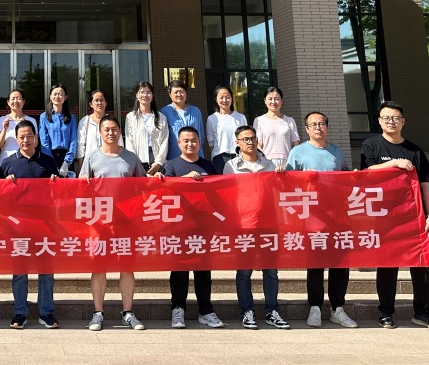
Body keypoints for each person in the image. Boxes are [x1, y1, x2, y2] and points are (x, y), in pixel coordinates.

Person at [360, 101, 429, 331]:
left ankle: (423, 312)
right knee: (388, 266)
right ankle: (386, 312)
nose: (391, 121)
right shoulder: (371, 145)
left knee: (424, 265)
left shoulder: (415, 150)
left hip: (415, 217)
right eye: (386, 118)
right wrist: (394, 163)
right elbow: (366, 172)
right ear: (379, 121)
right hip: (385, 217)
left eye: (395, 118)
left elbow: (425, 184)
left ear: (403, 122)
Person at [285, 111, 357, 329]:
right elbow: (287, 183)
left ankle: (338, 309)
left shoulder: (336, 151)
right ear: (306, 129)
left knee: (340, 264)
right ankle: (315, 307)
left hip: (337, 217)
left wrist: (355, 176)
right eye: (313, 124)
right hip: (312, 218)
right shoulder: (297, 152)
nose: (318, 127)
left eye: (322, 124)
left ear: (327, 127)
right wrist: (304, 179)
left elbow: (345, 178)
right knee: (315, 265)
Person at [78, 114, 145, 332]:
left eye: (114, 129)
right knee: (99, 266)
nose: (110, 133)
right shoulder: (92, 157)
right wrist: (83, 182)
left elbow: (143, 185)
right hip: (100, 221)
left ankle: (127, 312)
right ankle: (98, 313)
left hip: (126, 221)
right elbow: (81, 187)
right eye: (106, 129)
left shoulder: (131, 158)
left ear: (120, 131)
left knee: (126, 266)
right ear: (100, 133)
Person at [157, 126, 224, 329]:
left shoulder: (208, 165)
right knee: (179, 271)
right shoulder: (171, 165)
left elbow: (219, 193)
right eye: (185, 140)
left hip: (203, 227)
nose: (190, 144)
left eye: (193, 140)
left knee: (203, 272)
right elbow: (164, 188)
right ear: (178, 143)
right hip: (179, 227)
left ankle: (206, 311)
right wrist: (184, 180)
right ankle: (178, 310)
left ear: (199, 142)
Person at [224, 125, 290, 330]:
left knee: (271, 271)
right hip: (244, 225)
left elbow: (279, 192)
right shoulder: (231, 166)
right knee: (244, 272)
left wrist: (282, 176)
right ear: (237, 143)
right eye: (245, 139)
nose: (250, 142)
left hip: (269, 224)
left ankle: (272, 311)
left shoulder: (269, 165)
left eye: (252, 138)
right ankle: (247, 311)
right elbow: (227, 197)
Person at [0, 120, 59, 329]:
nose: (26, 140)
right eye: (22, 137)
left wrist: (55, 182)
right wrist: (7, 184)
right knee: (19, 271)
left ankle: (46, 312)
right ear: (16, 139)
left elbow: (57, 193)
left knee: (46, 271)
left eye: (29, 136)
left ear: (36, 137)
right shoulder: (8, 163)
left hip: (45, 224)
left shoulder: (48, 161)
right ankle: (20, 313)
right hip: (19, 225)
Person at [123, 81, 169, 175]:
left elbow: (165, 140)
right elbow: (129, 141)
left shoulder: (161, 117)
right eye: (142, 92)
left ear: (152, 96)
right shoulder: (130, 117)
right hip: (139, 160)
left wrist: (159, 162)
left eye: (148, 92)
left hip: (157, 160)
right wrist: (135, 162)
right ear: (137, 95)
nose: (145, 95)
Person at [253, 87, 300, 170]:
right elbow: (258, 145)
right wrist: (265, 161)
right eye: (270, 99)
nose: (273, 102)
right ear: (265, 101)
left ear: (282, 101)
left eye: (277, 99)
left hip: (287, 162)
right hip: (266, 162)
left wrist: (290, 162)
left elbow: (295, 144)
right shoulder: (259, 120)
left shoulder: (290, 120)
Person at [205, 84, 247, 174]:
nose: (224, 100)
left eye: (227, 97)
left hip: (238, 156)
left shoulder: (240, 117)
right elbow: (211, 142)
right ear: (216, 99)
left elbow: (245, 138)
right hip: (220, 157)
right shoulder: (212, 119)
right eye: (221, 97)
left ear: (232, 99)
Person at [0, 89, 37, 177]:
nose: (15, 101)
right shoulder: (2, 120)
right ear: (8, 102)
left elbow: (35, 143)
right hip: (6, 161)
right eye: (13, 99)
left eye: (19, 98)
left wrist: (26, 126)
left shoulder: (31, 121)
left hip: (26, 161)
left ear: (23, 102)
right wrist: (4, 129)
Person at [39, 84, 77, 177]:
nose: (57, 96)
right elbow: (44, 142)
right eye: (55, 94)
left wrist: (67, 162)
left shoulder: (71, 117)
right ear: (50, 96)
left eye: (60, 94)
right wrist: (51, 162)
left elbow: (73, 140)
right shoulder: (44, 117)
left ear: (65, 97)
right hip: (50, 155)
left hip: (67, 157)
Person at [162, 80, 204, 161]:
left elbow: (201, 134)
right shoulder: (164, 112)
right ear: (170, 95)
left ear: (186, 94)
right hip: (174, 157)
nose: (179, 94)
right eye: (176, 92)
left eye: (182, 92)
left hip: (195, 157)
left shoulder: (196, 111)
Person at [77, 90, 108, 169]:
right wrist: (80, 166)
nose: (99, 103)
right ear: (91, 104)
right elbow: (80, 145)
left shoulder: (111, 121)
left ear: (105, 103)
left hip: (108, 163)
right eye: (96, 100)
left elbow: (119, 142)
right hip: (89, 164)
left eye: (102, 100)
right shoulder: (85, 121)